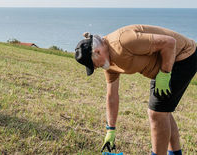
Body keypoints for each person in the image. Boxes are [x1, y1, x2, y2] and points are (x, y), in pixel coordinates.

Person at [74, 25, 197, 155]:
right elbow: (112, 95)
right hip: (163, 67)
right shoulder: (109, 64)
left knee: (157, 113)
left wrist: (165, 74)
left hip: (182, 57)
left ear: (98, 52)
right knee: (161, 111)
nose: (95, 67)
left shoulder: (123, 41)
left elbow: (169, 42)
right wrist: (111, 129)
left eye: (92, 64)